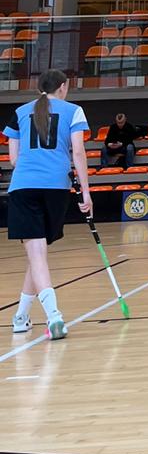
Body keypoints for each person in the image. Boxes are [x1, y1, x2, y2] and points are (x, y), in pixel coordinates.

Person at [4, 69, 90, 340]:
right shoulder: (74, 111)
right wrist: (86, 193)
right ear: (63, 86)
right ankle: (36, 317)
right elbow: (78, 152)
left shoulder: (20, 112)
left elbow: (13, 160)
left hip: (24, 187)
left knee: (36, 254)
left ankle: (42, 316)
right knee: (38, 254)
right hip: (56, 188)